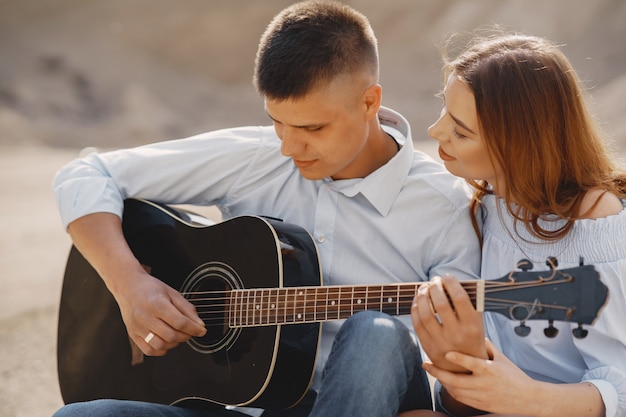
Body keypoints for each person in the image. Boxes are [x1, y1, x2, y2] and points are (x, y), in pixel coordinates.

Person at [51, 1, 481, 417]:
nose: (289, 147)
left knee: (375, 331)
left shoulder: (444, 209)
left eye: (312, 128)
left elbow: (457, 395)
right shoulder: (259, 158)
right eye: (278, 122)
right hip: (254, 405)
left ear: (369, 102)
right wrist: (130, 284)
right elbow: (87, 174)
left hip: (375, 403)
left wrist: (459, 366)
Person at [400, 32, 626, 417]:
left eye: (461, 130)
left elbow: (620, 389)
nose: (435, 132)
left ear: (518, 143)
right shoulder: (487, 204)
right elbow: (465, 404)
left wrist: (527, 398)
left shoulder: (593, 217)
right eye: (444, 109)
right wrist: (462, 362)